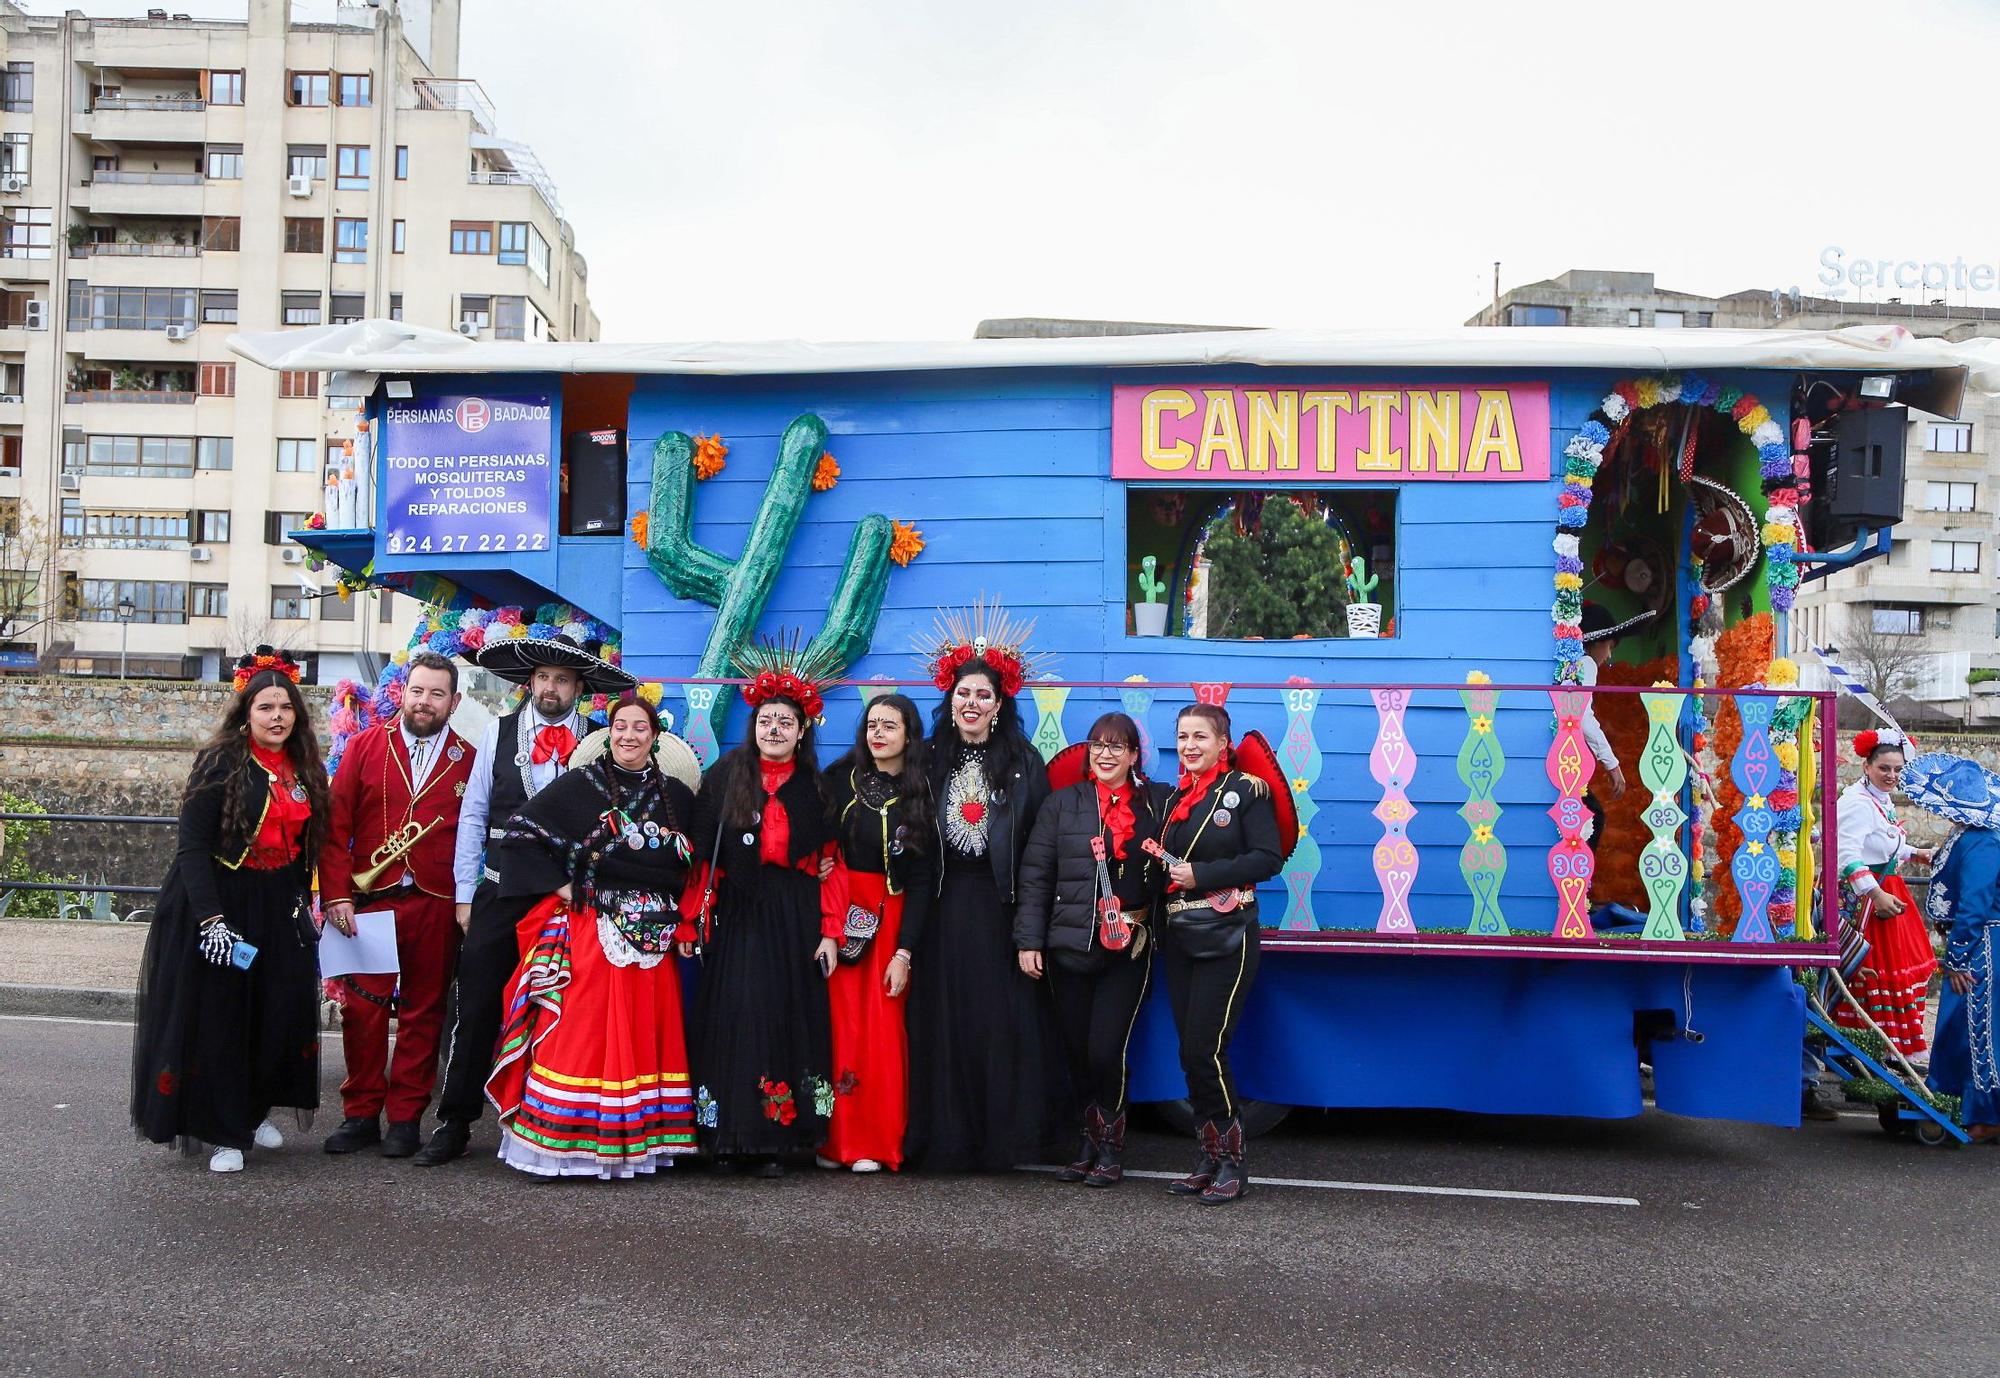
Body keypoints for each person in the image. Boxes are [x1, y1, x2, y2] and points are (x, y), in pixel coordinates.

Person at [415, 632, 632, 1167]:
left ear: (579, 688)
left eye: (562, 679)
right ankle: (456, 1120)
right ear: (528, 682)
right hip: (502, 887)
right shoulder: (497, 732)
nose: (550, 688)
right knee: (479, 1001)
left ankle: (552, 1126)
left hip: (565, 895)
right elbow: (473, 814)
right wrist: (466, 895)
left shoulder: (601, 742)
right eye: (542, 678)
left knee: (566, 1007)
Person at [484, 693, 704, 1177]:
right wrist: (564, 887)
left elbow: (701, 862)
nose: (629, 735)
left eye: (639, 728)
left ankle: (637, 1145)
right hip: (593, 929)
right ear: (608, 733)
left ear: (655, 736)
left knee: (643, 1036)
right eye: (620, 726)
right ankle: (569, 1146)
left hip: (656, 939)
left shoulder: (679, 798)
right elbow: (520, 832)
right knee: (584, 1034)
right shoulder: (579, 786)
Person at [132, 648, 330, 1173]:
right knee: (223, 1019)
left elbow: (306, 844)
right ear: (246, 712)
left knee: (277, 1011)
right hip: (222, 900)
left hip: (277, 901)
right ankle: (223, 1131)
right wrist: (211, 920)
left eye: (285, 707)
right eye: (265, 707)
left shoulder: (304, 766)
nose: (277, 717)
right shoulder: (220, 761)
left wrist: (302, 903)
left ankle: (255, 1108)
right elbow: (192, 849)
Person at [680, 646, 840, 1176]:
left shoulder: (817, 788)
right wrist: (688, 918)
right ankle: (727, 1136)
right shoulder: (726, 776)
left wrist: (829, 931)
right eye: (766, 720)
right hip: (740, 912)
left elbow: (828, 862)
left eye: (785, 722)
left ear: (801, 731)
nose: (775, 729)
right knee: (735, 1013)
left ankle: (776, 1139)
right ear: (755, 727)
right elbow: (705, 855)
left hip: (793, 914)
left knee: (784, 1014)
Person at [906, 605, 1054, 1172]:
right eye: (963, 693)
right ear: (950, 700)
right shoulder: (926, 758)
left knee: (998, 1025)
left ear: (999, 705)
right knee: (943, 1026)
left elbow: (1039, 850)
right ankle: (947, 1139)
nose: (971, 704)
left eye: (983, 696)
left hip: (1000, 912)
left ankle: (1000, 1142)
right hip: (942, 909)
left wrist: (1030, 926)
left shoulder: (1023, 761)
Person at [318, 650, 477, 1158]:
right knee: (363, 1011)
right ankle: (360, 1112)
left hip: (436, 902)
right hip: (369, 900)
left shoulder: (471, 759)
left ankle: (406, 1117)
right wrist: (336, 893)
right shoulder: (365, 746)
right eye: (417, 690)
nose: (424, 702)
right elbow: (333, 826)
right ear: (401, 693)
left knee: (424, 1012)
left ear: (454, 701)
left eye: (436, 693)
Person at [1016, 710, 1167, 1188]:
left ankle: (1110, 1145)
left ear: (1134, 755)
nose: (1105, 754)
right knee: (1076, 1051)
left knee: (1106, 1049)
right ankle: (1087, 1140)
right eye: (1097, 745)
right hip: (1069, 945)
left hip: (1130, 949)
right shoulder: (1062, 805)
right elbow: (1036, 875)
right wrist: (1028, 940)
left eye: (1117, 746)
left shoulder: (1158, 804)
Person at [1156, 702, 1285, 1206]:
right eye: (1183, 737)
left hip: (1229, 934)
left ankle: (1233, 1161)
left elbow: (1267, 858)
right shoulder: (1175, 801)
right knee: (1190, 1052)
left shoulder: (1247, 792)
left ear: (1222, 743)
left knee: (1205, 1049)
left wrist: (1202, 876)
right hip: (1182, 935)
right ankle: (1209, 1156)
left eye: (1200, 737)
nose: (1190, 746)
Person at [818, 693, 935, 1173]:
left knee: (883, 1029)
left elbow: (925, 879)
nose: (879, 733)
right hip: (843, 913)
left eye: (890, 725)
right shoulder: (838, 780)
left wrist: (904, 952)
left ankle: (876, 1141)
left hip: (893, 919)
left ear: (909, 733)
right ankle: (834, 1142)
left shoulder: (923, 791)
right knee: (840, 1027)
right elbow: (817, 846)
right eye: (872, 724)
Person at [1901, 752, 2000, 1143]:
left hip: (1983, 946)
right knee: (1964, 1026)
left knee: (1979, 1029)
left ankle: (1985, 1114)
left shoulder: (1983, 840)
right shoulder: (1970, 834)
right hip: (1977, 942)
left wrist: (1957, 957)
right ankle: (1962, 1103)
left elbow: (1975, 903)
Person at [1831, 729, 1936, 1062]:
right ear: (1866, 766)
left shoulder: (1877, 799)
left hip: (1883, 889)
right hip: (1866, 899)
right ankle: (1870, 1046)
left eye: (1898, 770)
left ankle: (1884, 1046)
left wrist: (1915, 852)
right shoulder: (1857, 804)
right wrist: (1876, 895)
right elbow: (1848, 856)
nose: (1892, 775)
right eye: (1884, 768)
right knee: (1876, 967)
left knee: (1893, 965)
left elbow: (1882, 842)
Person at [1576, 604, 1630, 851]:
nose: (1609, 656)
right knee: (1593, 817)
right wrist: (1612, 764)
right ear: (1595, 643)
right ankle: (1579, 883)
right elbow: (1584, 717)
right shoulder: (1585, 664)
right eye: (1609, 647)